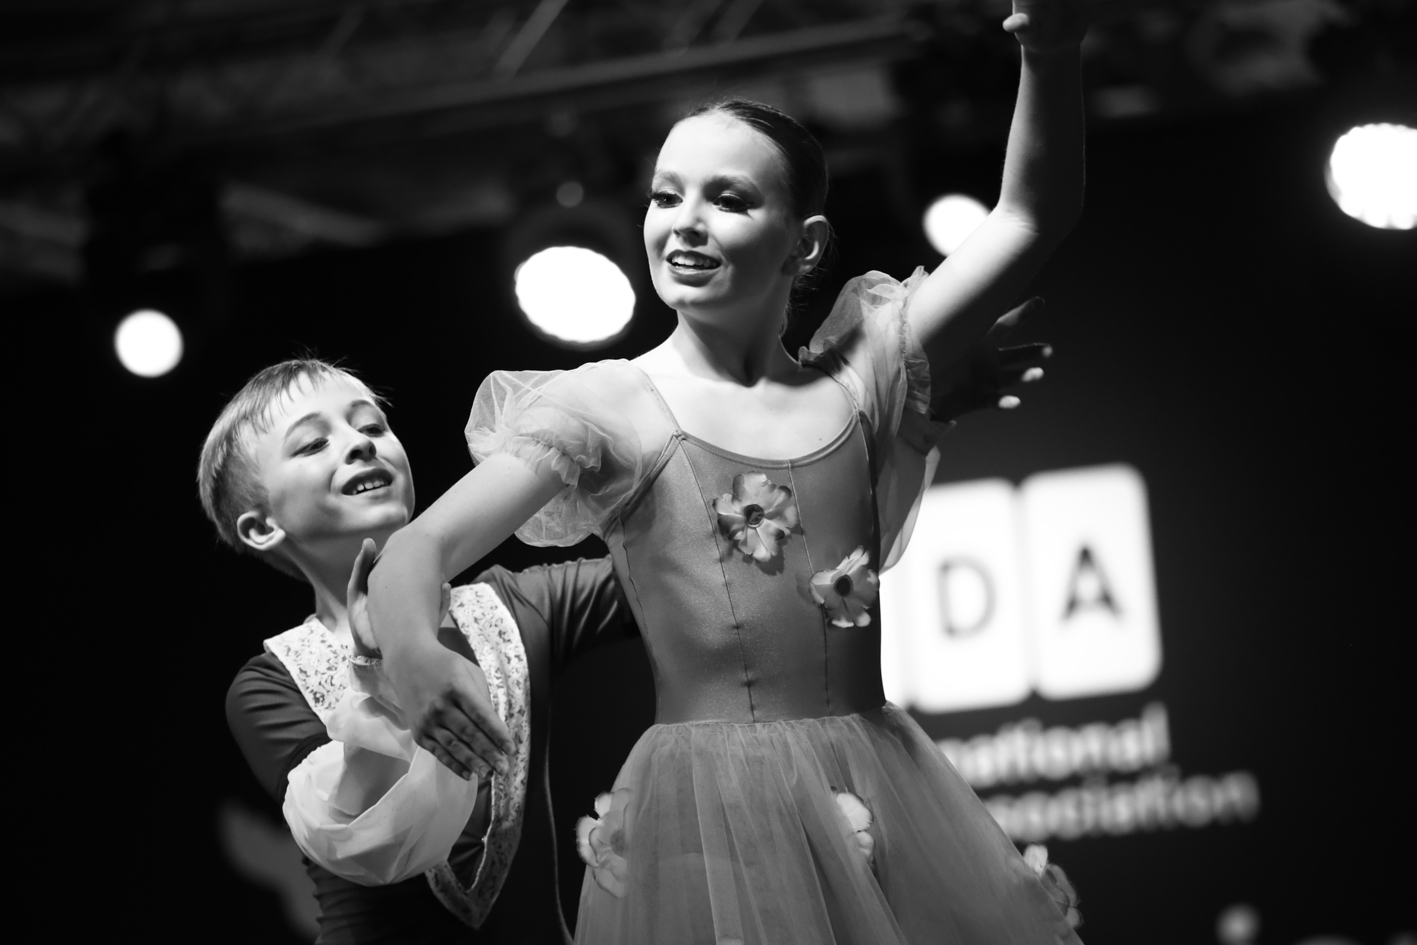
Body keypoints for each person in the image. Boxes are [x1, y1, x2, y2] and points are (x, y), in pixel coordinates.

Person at [365, 0, 1090, 941]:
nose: (685, 224)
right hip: (707, 818)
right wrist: (415, 653)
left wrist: (1050, 50)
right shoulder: (609, 405)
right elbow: (417, 548)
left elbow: (1031, 216)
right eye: (665, 196)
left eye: (730, 200)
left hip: (881, 786)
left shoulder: (863, 373)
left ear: (805, 242)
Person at [207, 359, 638, 944]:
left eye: (372, 426)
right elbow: (357, 838)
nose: (360, 443)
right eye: (312, 444)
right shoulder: (270, 682)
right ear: (262, 527)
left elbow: (676, 575)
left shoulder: (519, 607)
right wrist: (377, 670)